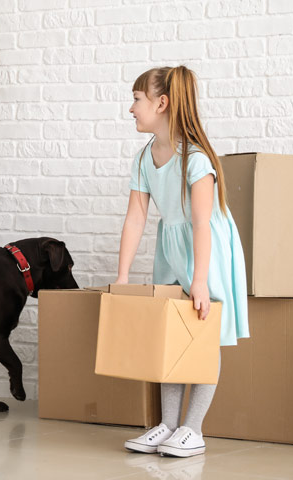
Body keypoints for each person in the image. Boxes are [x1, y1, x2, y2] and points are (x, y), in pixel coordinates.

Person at [115, 65, 249, 457]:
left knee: (202, 334)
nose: (131, 108)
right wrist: (123, 274)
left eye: (137, 100)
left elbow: (202, 223)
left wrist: (201, 279)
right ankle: (168, 425)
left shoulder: (196, 158)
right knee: (171, 335)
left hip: (206, 248)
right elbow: (136, 217)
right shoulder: (144, 158)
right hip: (172, 246)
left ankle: (194, 429)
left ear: (161, 102)